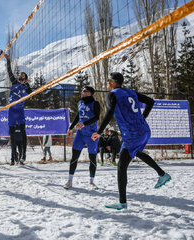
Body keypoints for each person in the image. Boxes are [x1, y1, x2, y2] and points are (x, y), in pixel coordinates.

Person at [92, 72, 171, 210]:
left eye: (109, 80)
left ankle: (122, 203)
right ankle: (162, 174)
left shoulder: (113, 94)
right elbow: (151, 102)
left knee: (121, 166)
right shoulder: (131, 92)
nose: (107, 82)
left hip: (133, 134)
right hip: (144, 130)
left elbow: (109, 113)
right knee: (137, 152)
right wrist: (142, 118)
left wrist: (99, 132)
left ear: (114, 82)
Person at [64, 86, 101, 190]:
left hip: (92, 134)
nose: (81, 92)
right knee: (74, 156)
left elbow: (96, 117)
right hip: (80, 134)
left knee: (92, 158)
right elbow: (77, 116)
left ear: (89, 93)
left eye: (83, 91)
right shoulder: (80, 102)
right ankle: (70, 180)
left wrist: (84, 124)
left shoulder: (95, 103)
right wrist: (70, 128)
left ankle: (91, 182)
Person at [4, 53, 32, 165]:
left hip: (20, 111)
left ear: (26, 79)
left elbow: (31, 93)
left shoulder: (26, 88)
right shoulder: (14, 83)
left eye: (23, 77)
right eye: (20, 76)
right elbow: (9, 72)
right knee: (12, 134)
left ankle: (23, 154)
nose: (21, 78)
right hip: (12, 110)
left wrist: (28, 84)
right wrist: (8, 60)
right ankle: (14, 155)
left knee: (22, 132)